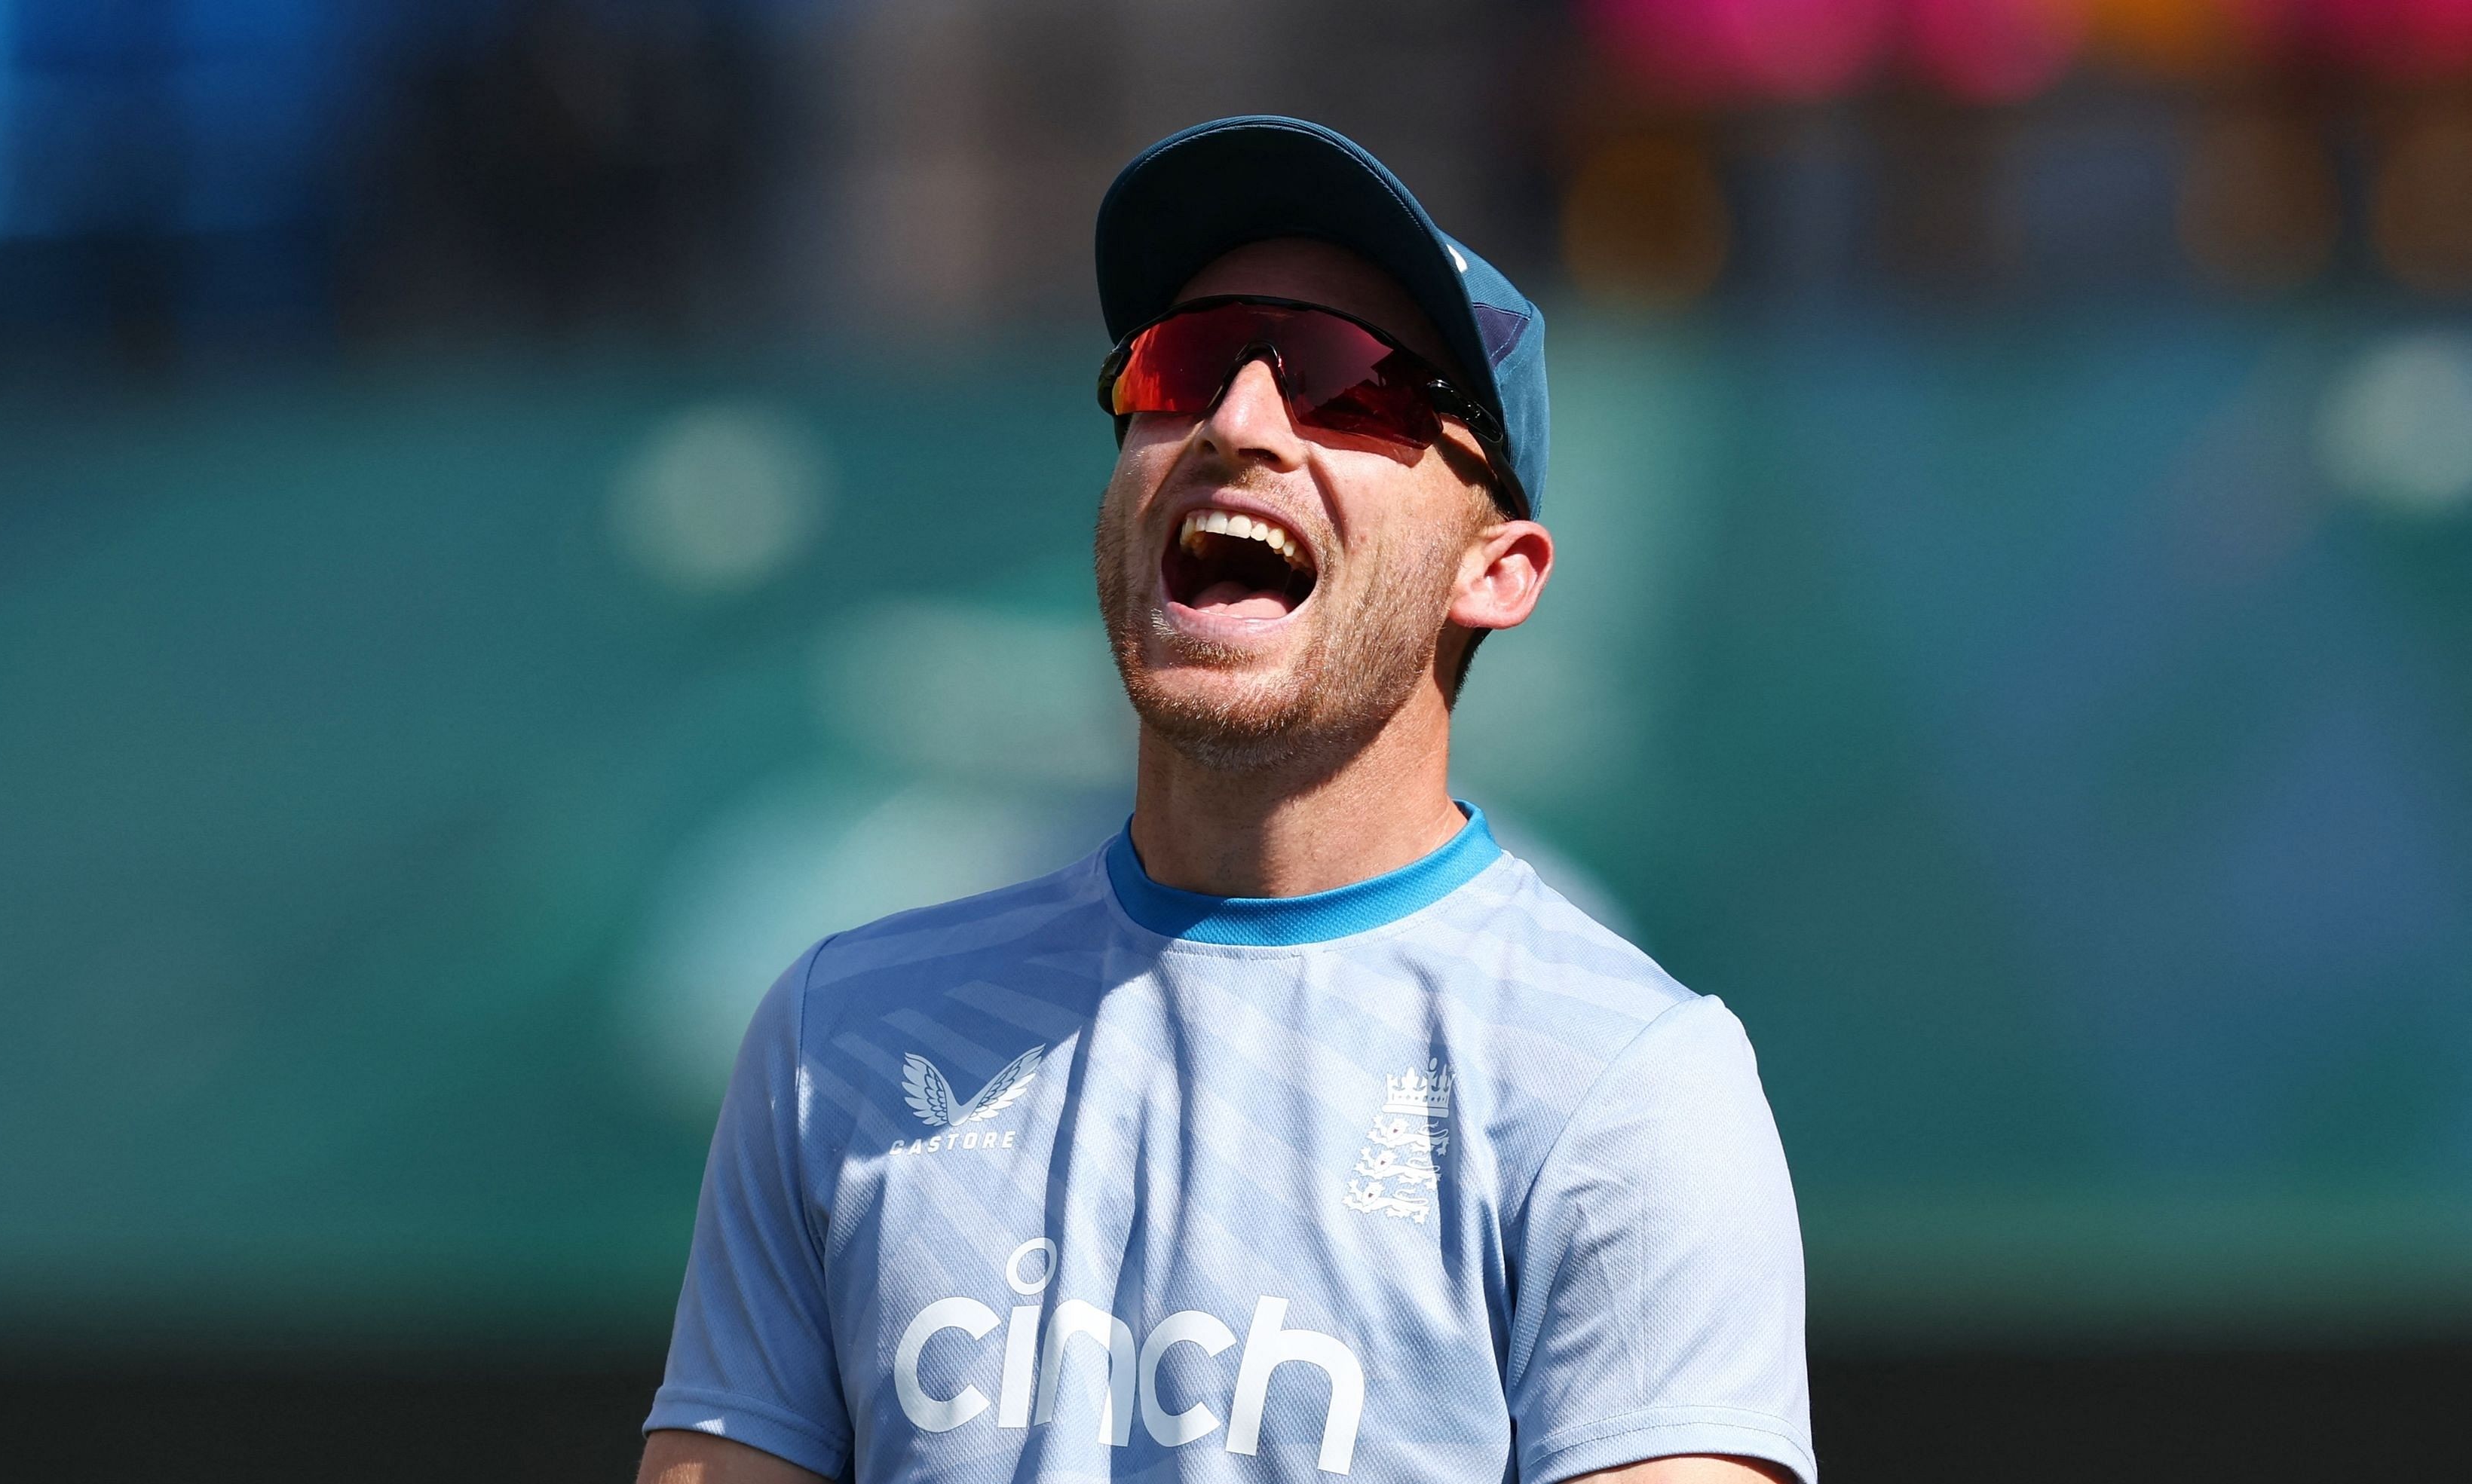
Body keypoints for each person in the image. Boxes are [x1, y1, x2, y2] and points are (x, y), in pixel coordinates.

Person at [637, 116, 1813, 1484]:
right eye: (1184, 366)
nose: (1237, 422)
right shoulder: (835, 1034)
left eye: (1350, 385)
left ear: (1497, 571)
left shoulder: (1622, 1083)